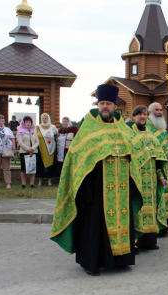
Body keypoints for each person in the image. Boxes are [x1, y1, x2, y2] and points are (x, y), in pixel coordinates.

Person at [50, 84, 143, 276]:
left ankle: (120, 260)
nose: (105, 107)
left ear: (115, 106)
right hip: (95, 190)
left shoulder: (124, 129)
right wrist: (84, 189)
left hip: (122, 188)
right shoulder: (88, 128)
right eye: (102, 103)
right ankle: (92, 262)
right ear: (98, 105)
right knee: (94, 225)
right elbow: (76, 157)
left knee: (121, 222)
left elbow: (133, 155)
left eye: (108, 103)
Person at [128, 105, 168, 250]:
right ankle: (135, 243)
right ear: (134, 117)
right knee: (137, 209)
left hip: (151, 181)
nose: (142, 116)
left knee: (150, 210)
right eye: (139, 114)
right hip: (136, 180)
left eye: (144, 114)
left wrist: (160, 176)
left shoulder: (151, 136)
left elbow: (157, 160)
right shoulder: (129, 135)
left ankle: (149, 241)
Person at [146, 102, 168, 233]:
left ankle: (164, 224)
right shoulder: (147, 128)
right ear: (150, 112)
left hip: (164, 167)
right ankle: (155, 226)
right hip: (151, 167)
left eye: (161, 110)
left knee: (164, 194)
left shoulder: (163, 129)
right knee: (155, 195)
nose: (159, 112)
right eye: (156, 110)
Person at [16, 116, 39, 188]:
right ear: (24, 123)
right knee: (23, 169)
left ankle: (32, 184)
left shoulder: (34, 131)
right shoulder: (20, 131)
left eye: (29, 122)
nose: (28, 123)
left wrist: (32, 148)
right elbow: (20, 142)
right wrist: (27, 149)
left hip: (33, 151)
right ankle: (23, 184)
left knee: (33, 168)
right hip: (24, 152)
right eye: (26, 122)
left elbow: (37, 142)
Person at [36, 113, 58, 186]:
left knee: (50, 165)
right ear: (41, 119)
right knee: (40, 164)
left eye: (46, 118)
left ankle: (49, 181)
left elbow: (56, 135)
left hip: (51, 149)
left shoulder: (53, 127)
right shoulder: (37, 127)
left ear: (48, 118)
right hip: (41, 148)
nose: (44, 119)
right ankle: (40, 181)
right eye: (43, 118)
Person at [0, 115, 15, 189]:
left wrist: (13, 147)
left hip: (6, 150)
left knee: (6, 168)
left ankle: (8, 183)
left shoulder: (7, 129)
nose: (1, 122)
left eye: (2, 121)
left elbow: (12, 138)